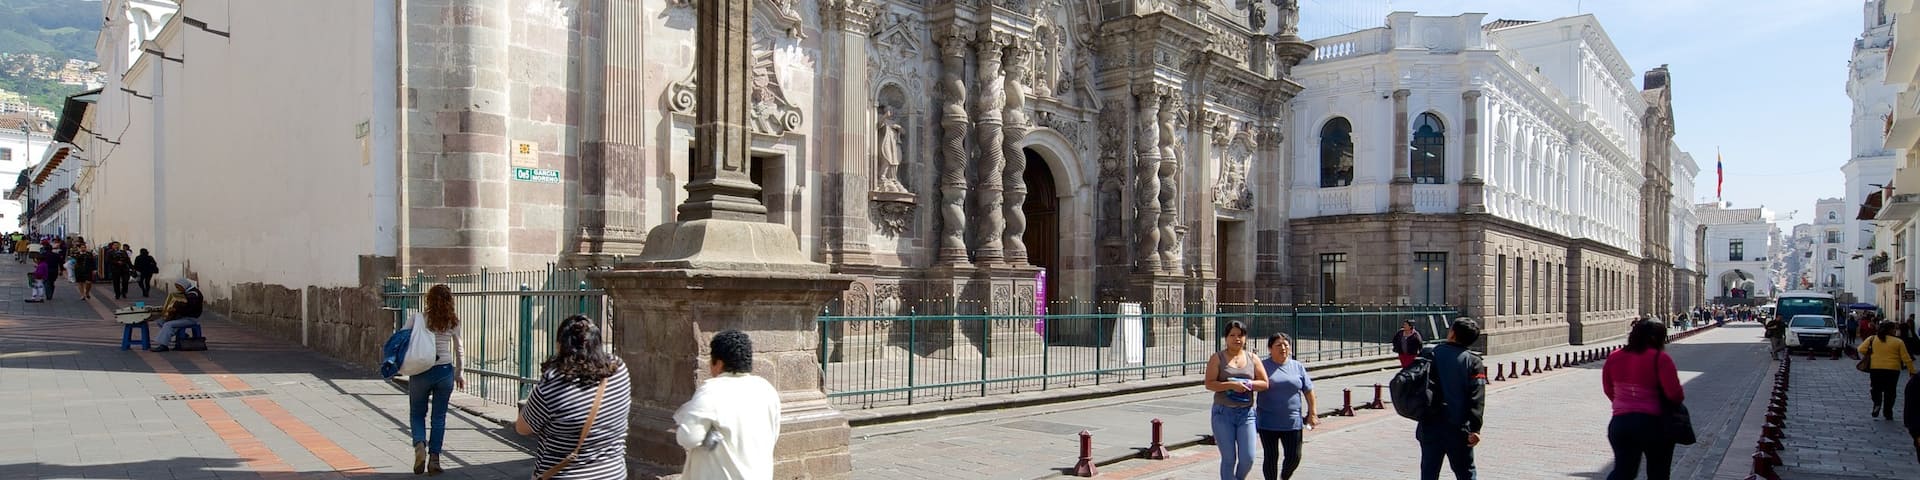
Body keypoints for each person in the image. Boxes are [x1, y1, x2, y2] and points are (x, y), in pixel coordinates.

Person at [516, 315, 630, 479]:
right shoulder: (618, 370)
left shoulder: (552, 386)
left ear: (559, 346)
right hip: (612, 473)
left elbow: (522, 428)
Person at [674, 330, 782, 480]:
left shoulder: (711, 390)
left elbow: (688, 437)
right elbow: (773, 434)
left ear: (718, 363)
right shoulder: (766, 389)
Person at [1601, 320, 1685, 480]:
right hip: (1654, 423)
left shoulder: (1614, 356)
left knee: (1623, 471)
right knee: (1658, 473)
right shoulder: (1660, 359)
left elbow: (1608, 388)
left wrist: (1623, 405)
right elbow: (1675, 394)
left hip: (1620, 423)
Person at [402, 284, 464, 475]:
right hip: (444, 371)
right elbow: (459, 349)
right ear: (449, 301)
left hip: (421, 370)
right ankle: (434, 460)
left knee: (417, 413)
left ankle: (420, 443)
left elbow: (402, 338)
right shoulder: (453, 322)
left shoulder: (418, 318)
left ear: (428, 299)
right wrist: (460, 372)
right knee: (439, 417)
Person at [1416, 318, 1486, 480]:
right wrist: (1475, 429)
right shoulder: (1473, 361)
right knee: (1466, 473)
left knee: (1428, 472)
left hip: (1429, 425)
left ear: (1452, 334)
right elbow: (1477, 398)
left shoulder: (1429, 353)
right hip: (1458, 428)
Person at [1204, 321, 1268, 480]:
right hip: (1223, 413)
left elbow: (1265, 383)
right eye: (1232, 335)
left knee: (1248, 458)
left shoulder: (1252, 358)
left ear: (1245, 338)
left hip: (1246, 414)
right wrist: (1230, 385)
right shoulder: (1217, 358)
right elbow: (1209, 384)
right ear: (1226, 338)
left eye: (1240, 335)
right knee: (1229, 458)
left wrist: (1249, 384)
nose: (1236, 339)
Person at [1256, 333, 1316, 480]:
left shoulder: (1297, 367)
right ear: (1270, 348)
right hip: (1268, 422)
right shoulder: (1262, 367)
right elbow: (1252, 387)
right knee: (1271, 457)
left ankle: (1284, 476)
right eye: (1278, 345)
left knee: (1294, 456)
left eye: (1286, 345)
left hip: (1292, 422)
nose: (1283, 348)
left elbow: (1308, 390)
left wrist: (1312, 413)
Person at [1859, 320, 1917, 420]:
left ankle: (1877, 403)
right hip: (1893, 370)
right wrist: (1912, 371)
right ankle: (1888, 412)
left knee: (1876, 388)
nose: (1895, 330)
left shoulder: (1872, 339)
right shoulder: (1898, 341)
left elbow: (1861, 349)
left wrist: (1871, 352)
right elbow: (1906, 358)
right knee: (1890, 391)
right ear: (1890, 330)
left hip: (1876, 368)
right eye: (1894, 328)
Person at [151, 278, 204, 352]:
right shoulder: (188, 293)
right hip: (183, 317)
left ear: (184, 285)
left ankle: (163, 345)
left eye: (179, 287)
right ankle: (183, 336)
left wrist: (176, 310)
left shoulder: (193, 295)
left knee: (168, 325)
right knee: (161, 321)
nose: (178, 289)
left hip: (190, 318)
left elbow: (190, 309)